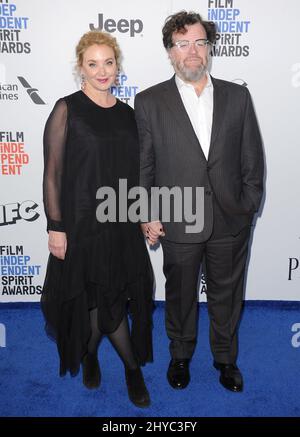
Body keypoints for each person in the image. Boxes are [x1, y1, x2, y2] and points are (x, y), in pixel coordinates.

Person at [134, 11, 264, 392]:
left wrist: (248, 204)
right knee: (179, 295)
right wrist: (145, 212)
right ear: (170, 52)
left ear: (209, 48)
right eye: (182, 44)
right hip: (176, 217)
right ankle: (181, 355)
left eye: (199, 42)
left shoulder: (237, 95)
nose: (192, 51)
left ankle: (225, 359)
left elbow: (251, 158)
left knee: (227, 295)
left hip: (230, 218)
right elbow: (144, 164)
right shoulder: (149, 101)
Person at [42, 30, 153, 408]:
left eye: (108, 62)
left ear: (117, 66)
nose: (102, 70)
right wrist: (55, 228)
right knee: (89, 297)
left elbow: (134, 173)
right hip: (80, 225)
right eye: (93, 63)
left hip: (120, 223)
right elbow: (52, 173)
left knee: (113, 296)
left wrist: (142, 217)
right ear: (80, 67)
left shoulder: (127, 114)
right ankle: (106, 360)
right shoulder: (66, 109)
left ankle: (129, 367)